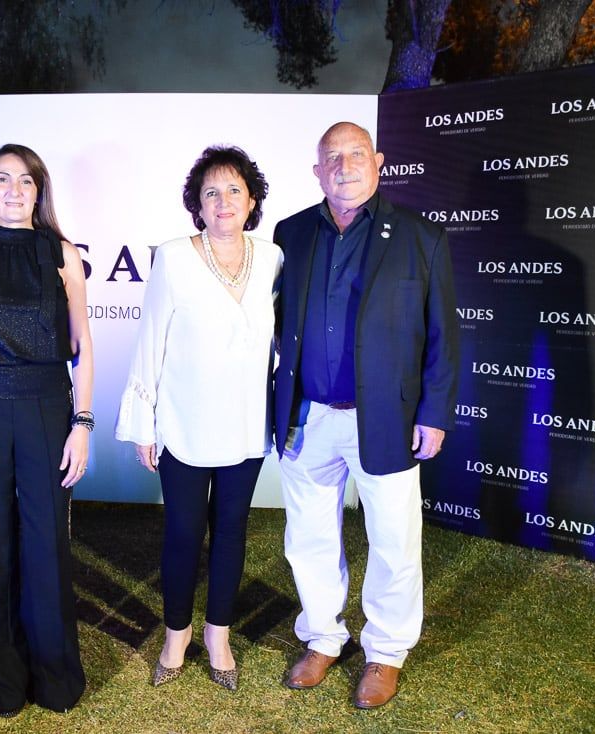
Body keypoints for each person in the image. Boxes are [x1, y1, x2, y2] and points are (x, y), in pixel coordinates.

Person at [273, 121, 458, 708]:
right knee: (308, 536)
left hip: (386, 419)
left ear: (378, 162)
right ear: (317, 170)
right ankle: (324, 637)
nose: (344, 166)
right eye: (332, 157)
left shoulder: (419, 237)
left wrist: (433, 413)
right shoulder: (291, 233)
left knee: (395, 541)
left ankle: (385, 652)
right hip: (308, 413)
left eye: (356, 154)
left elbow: (442, 336)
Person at [116, 146, 282, 691]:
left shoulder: (274, 259)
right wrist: (144, 422)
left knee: (231, 532)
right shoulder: (174, 256)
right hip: (184, 425)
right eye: (211, 191)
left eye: (234, 189)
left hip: (246, 425)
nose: (223, 200)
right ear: (197, 204)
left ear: (252, 199)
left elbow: (281, 343)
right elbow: (151, 340)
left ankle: (218, 635)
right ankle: (176, 635)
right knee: (184, 534)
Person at [0, 143, 93, 718]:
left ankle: (55, 677)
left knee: (45, 545)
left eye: (26, 181)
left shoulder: (63, 255)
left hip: (45, 410)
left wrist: (82, 424)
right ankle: (0, 682)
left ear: (39, 192)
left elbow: (82, 345)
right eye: (2, 179)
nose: (14, 190)